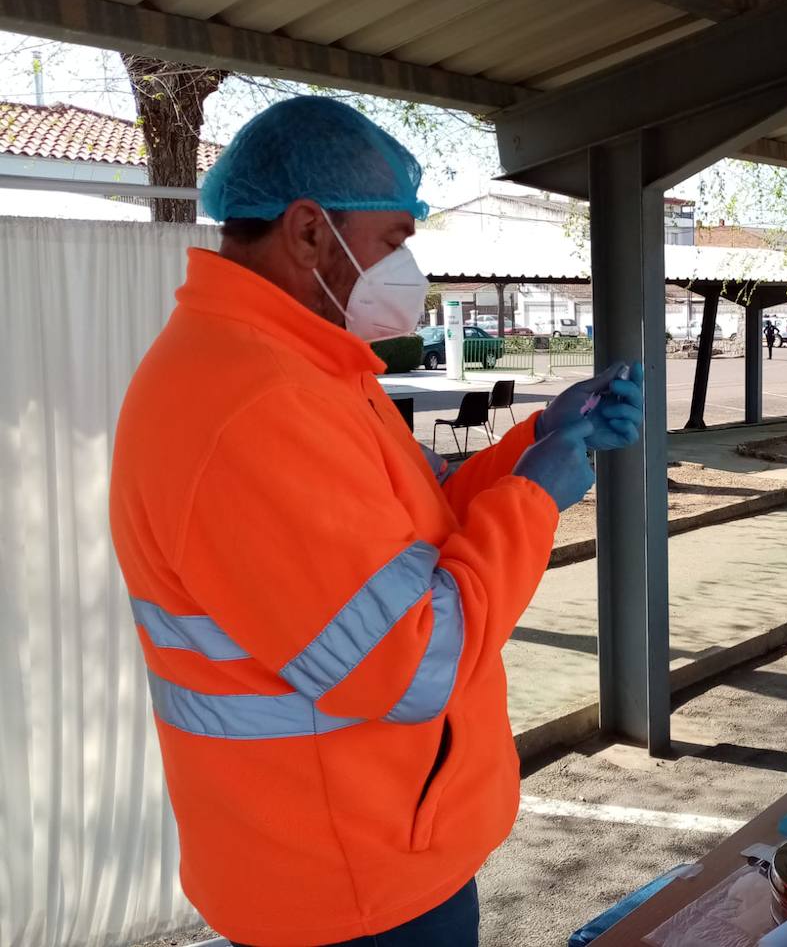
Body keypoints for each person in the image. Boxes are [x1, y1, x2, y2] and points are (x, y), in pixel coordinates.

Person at [108, 97, 645, 947]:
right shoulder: (254, 404)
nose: (409, 267)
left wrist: (538, 440)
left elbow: (416, 524)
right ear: (309, 232)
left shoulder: (299, 366)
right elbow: (411, 658)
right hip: (348, 891)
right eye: (394, 239)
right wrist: (533, 498)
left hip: (363, 858)